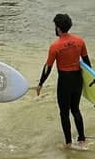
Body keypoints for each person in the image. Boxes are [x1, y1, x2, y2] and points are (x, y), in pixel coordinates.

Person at [36, 13, 89, 149]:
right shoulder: (80, 41)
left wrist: (40, 83)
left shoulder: (55, 46)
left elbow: (48, 67)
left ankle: (68, 143)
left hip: (65, 81)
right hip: (78, 79)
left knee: (64, 112)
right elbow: (88, 64)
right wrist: (88, 83)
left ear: (58, 28)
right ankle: (82, 140)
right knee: (76, 109)